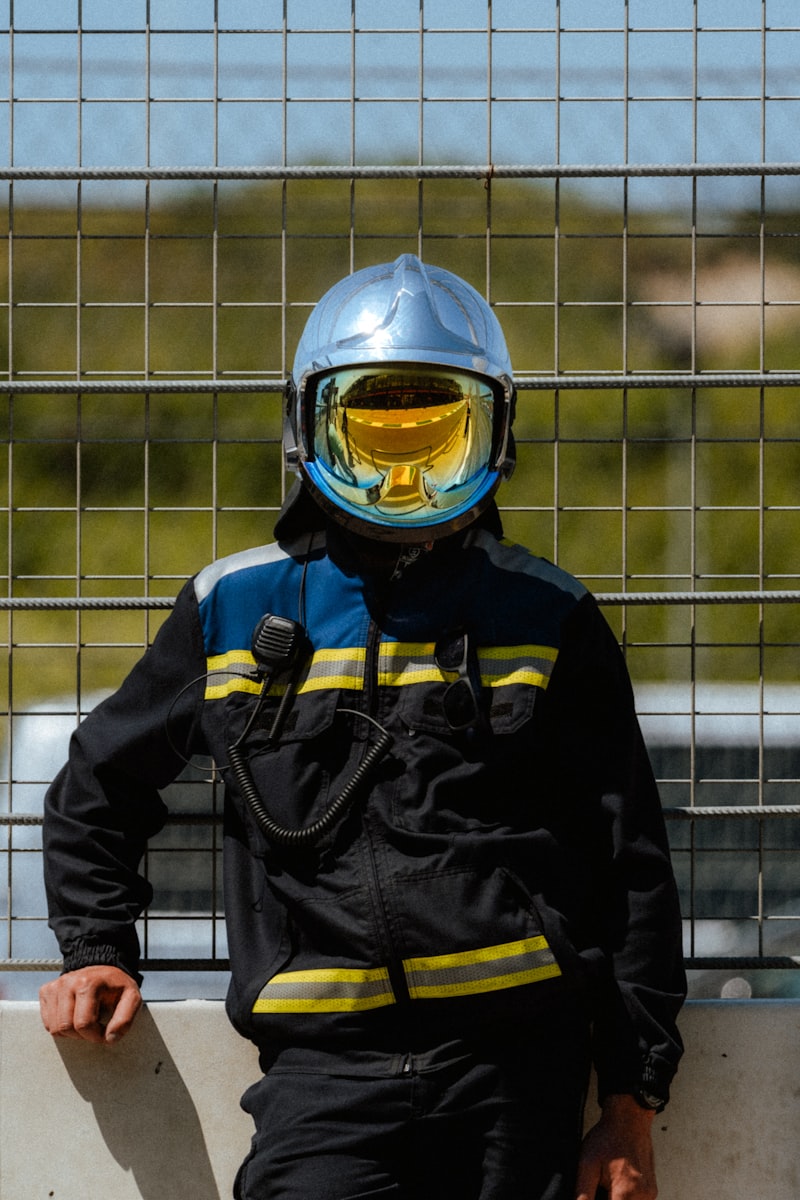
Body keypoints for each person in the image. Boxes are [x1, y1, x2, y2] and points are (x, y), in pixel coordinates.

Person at [39, 254, 686, 1200]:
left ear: (492, 434)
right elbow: (100, 783)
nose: (404, 476)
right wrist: (95, 948)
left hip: (518, 1077)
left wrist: (630, 1107)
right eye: (376, 436)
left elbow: (633, 867)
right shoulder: (233, 609)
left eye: (435, 438)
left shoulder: (548, 616)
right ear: (310, 427)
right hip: (319, 1083)